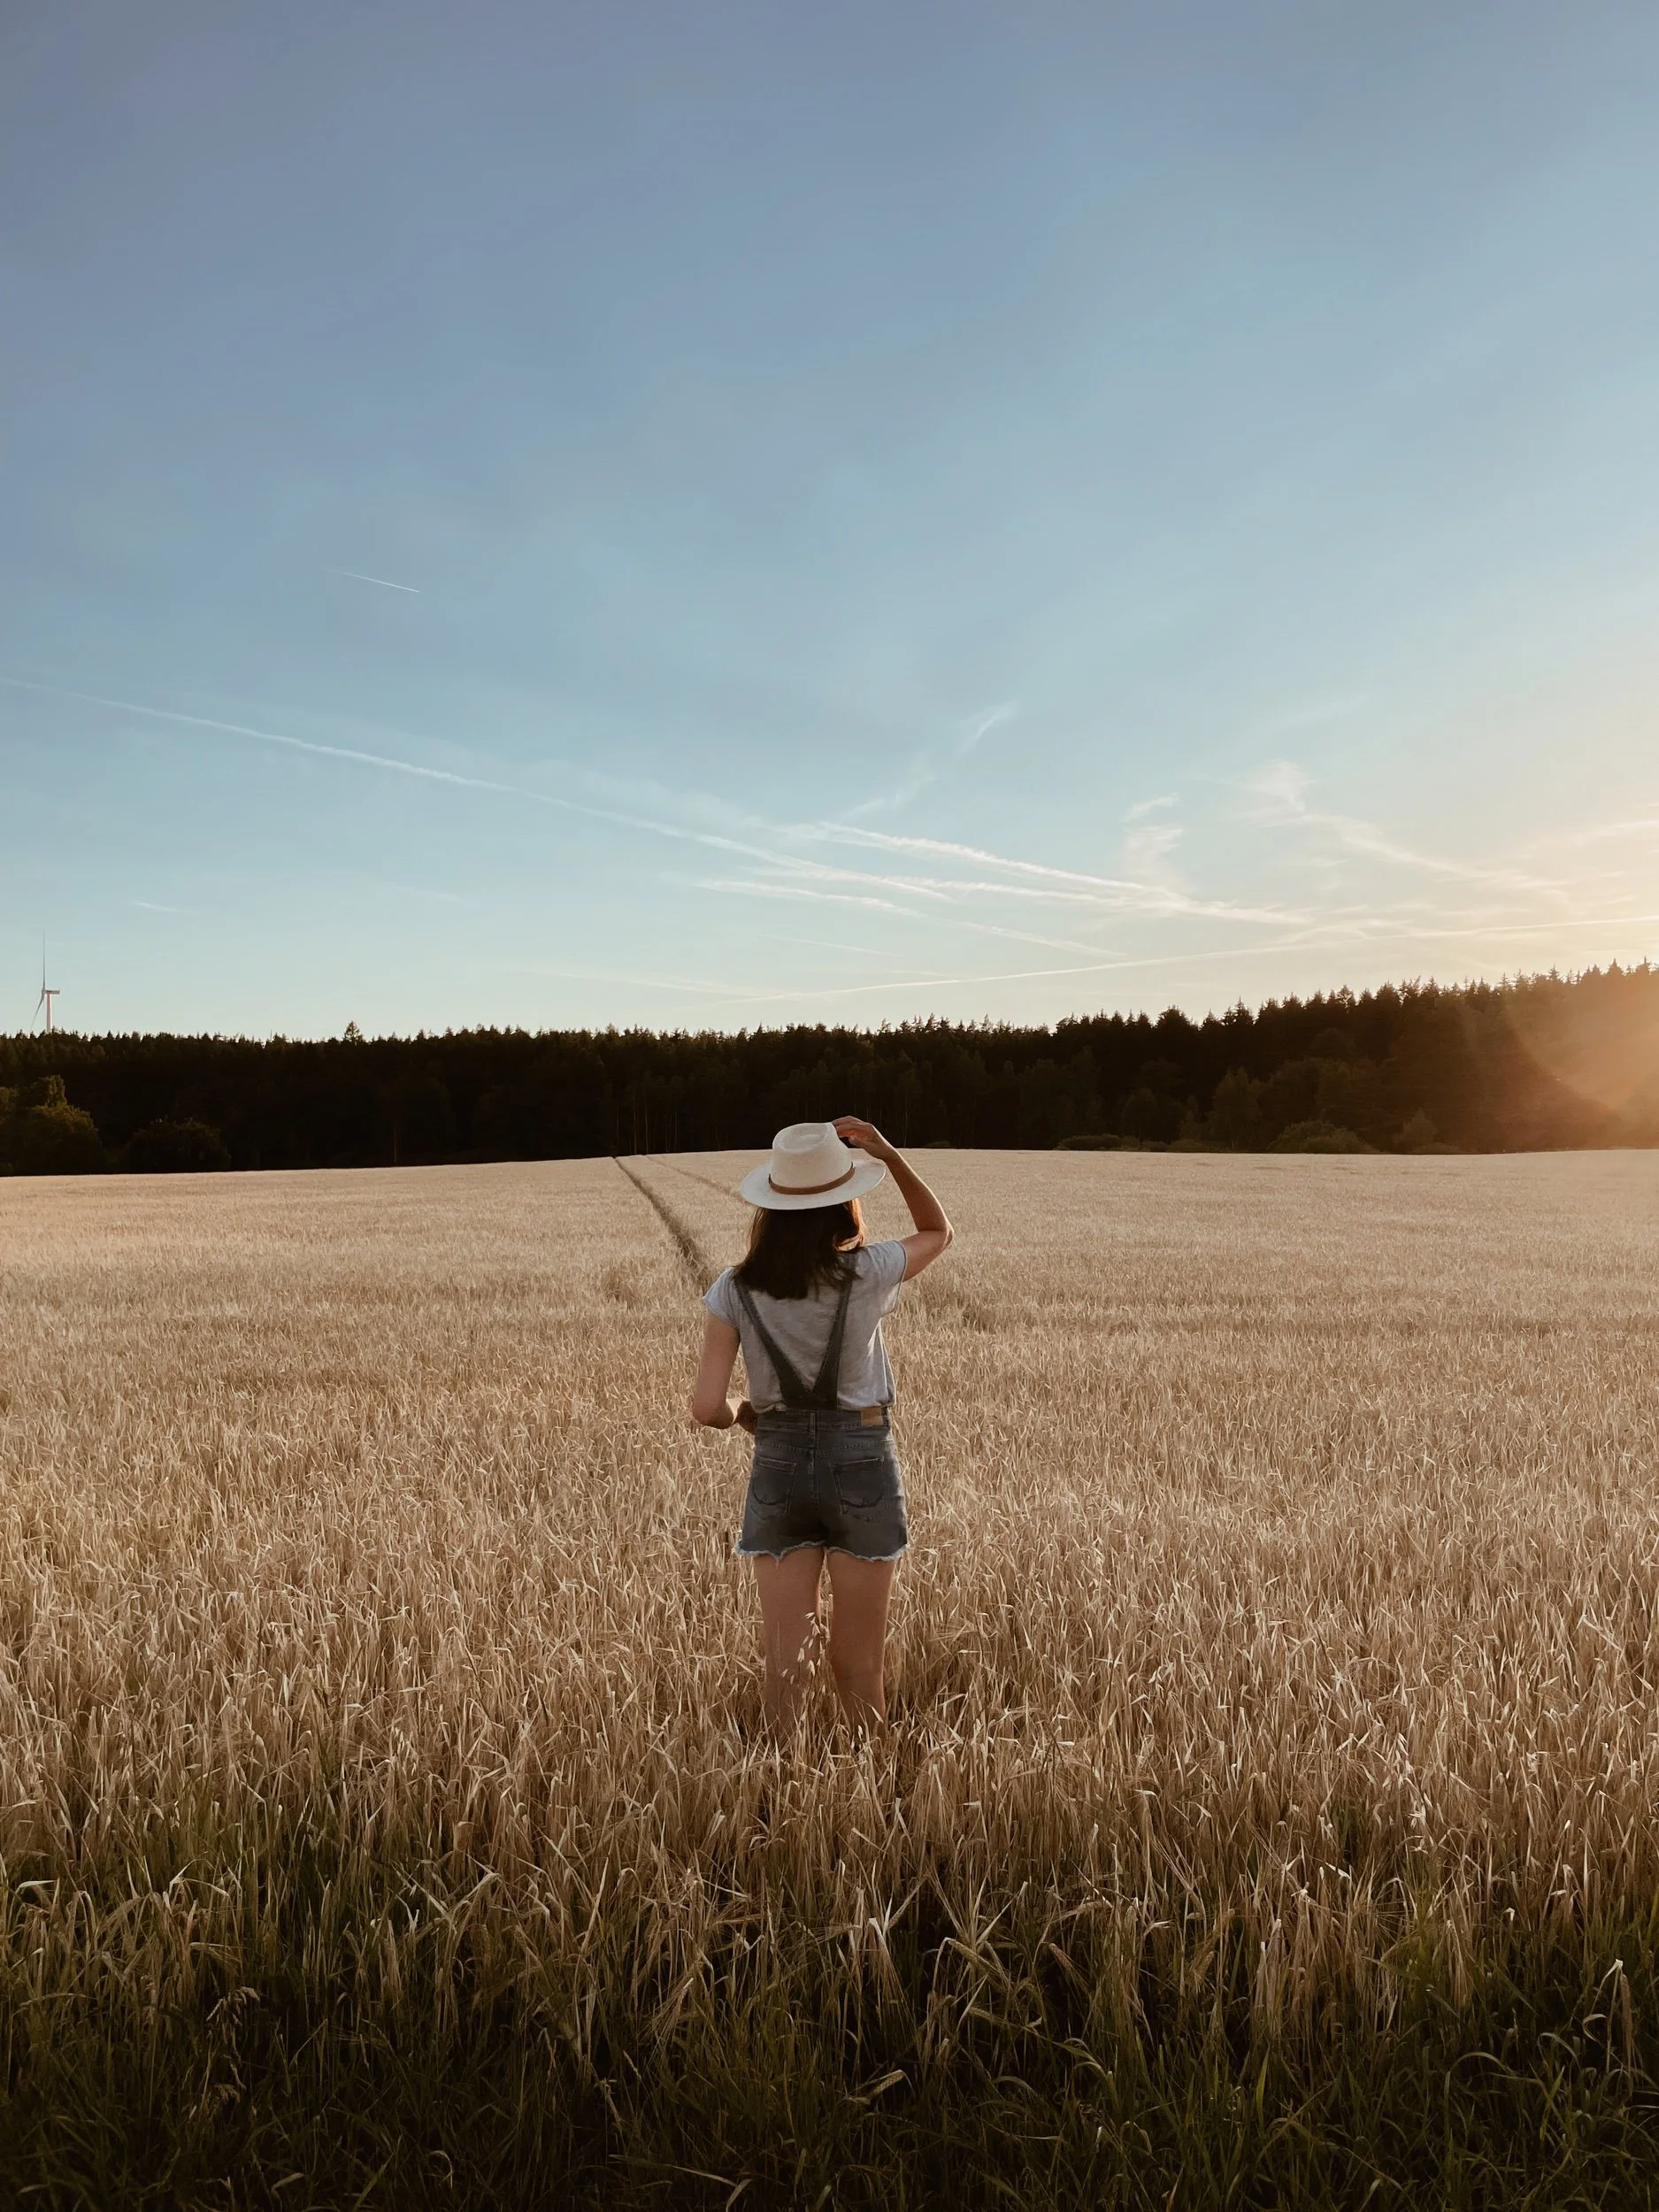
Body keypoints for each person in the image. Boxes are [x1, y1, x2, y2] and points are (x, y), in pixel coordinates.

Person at [690, 1117, 955, 1732]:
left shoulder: (734, 1288)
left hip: (776, 1465)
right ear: (843, 1205)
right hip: (861, 1458)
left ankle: (781, 1796)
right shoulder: (868, 1272)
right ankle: (871, 1791)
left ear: (770, 1207)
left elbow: (706, 1409)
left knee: (786, 1665)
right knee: (859, 1666)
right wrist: (887, 1153)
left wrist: (745, 1413)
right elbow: (938, 1232)